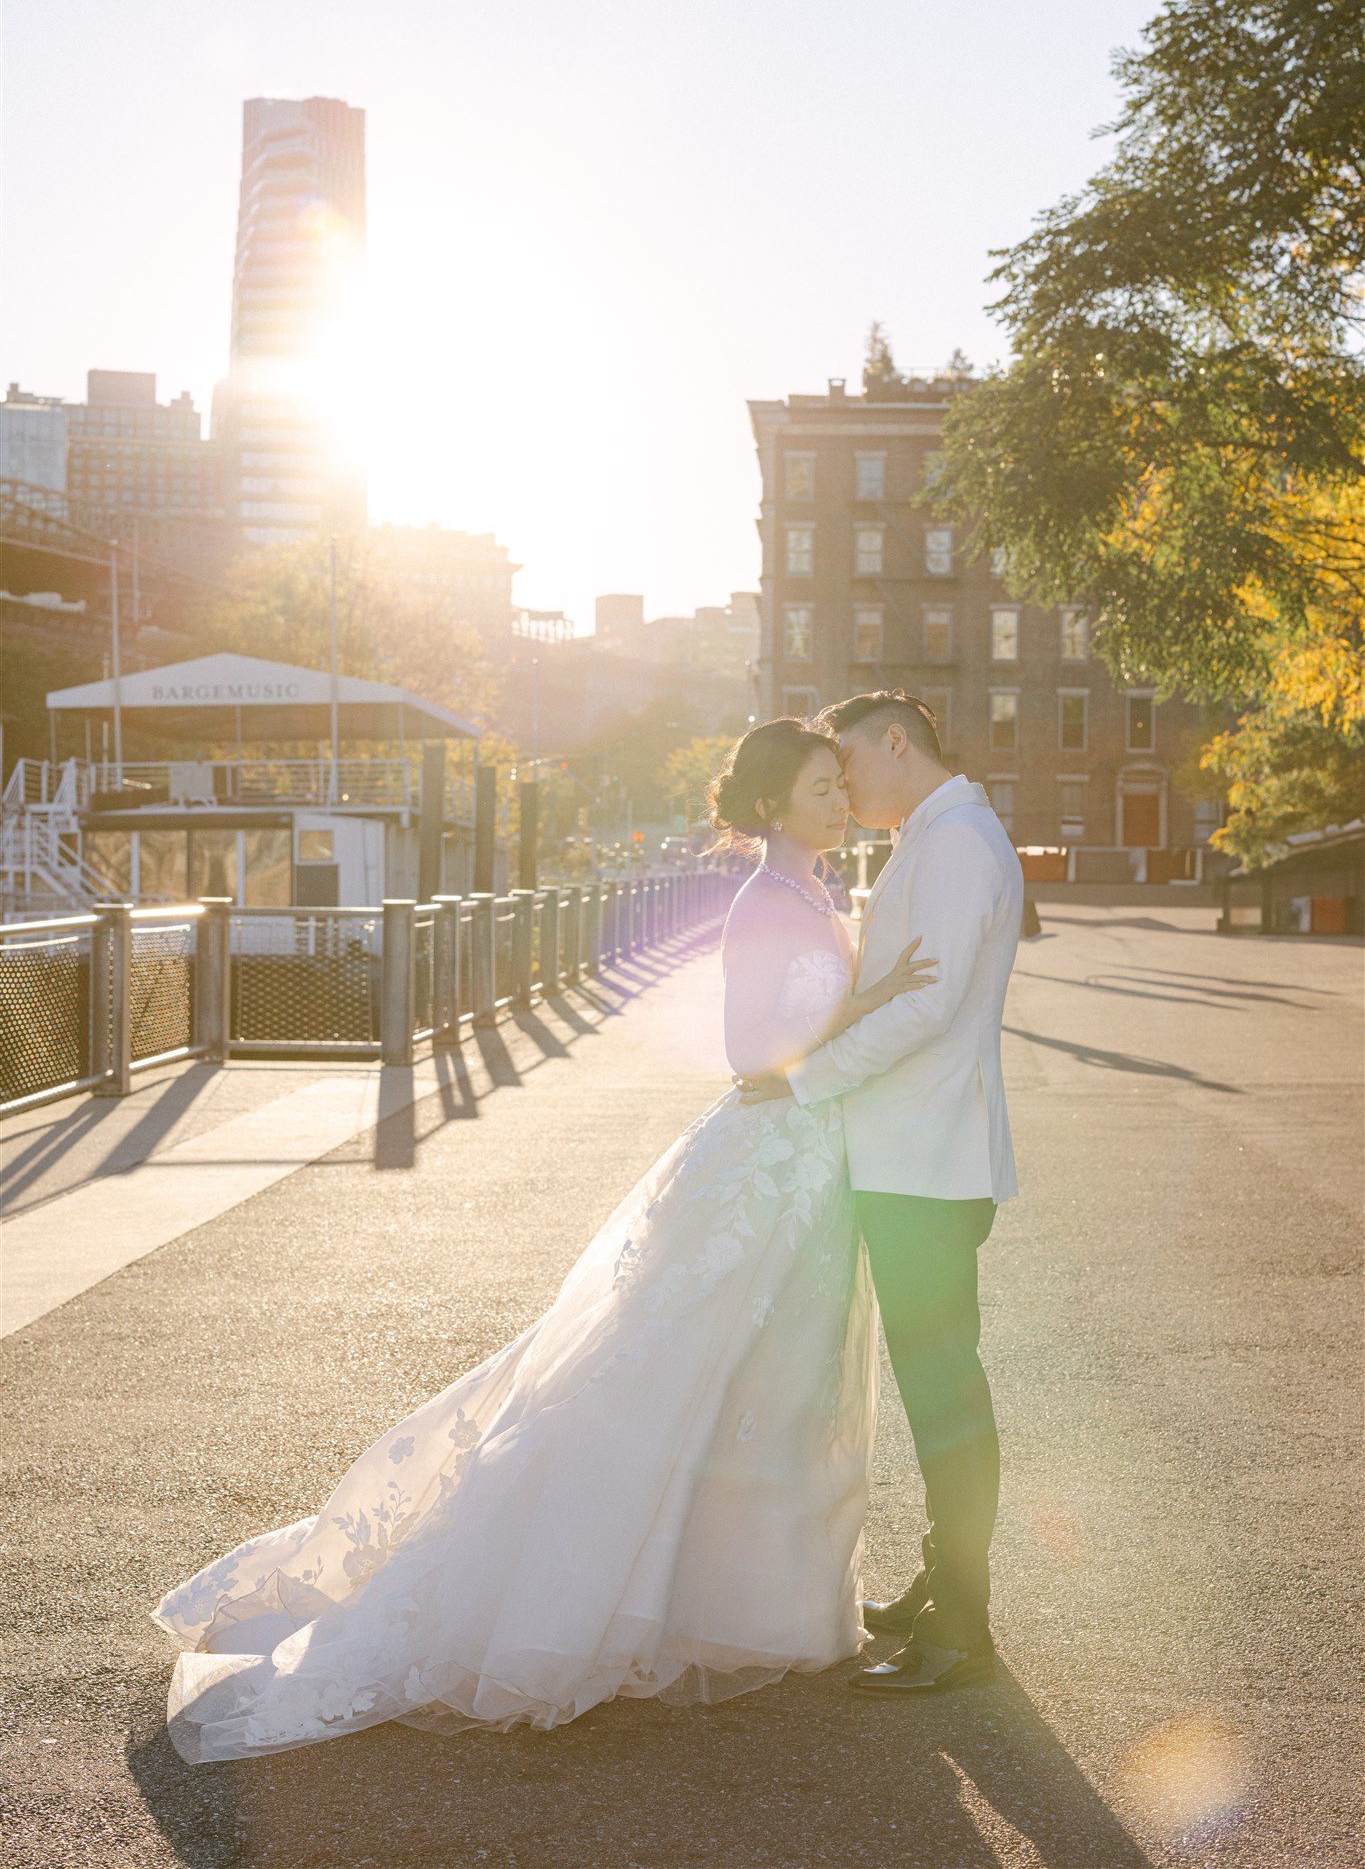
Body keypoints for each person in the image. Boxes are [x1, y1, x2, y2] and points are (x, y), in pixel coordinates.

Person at [149, 718, 936, 1762]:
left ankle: (759, 1607)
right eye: (822, 788)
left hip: (807, 1169)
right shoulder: (761, 901)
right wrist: (869, 1002)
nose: (841, 802)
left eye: (843, 784)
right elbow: (751, 1053)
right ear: (772, 806)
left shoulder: (816, 892)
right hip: (761, 1168)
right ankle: (569, 1600)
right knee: (663, 1380)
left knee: (775, 1390)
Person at [738, 690, 1022, 1696]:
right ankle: (943, 1588)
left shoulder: (954, 843)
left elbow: (932, 1004)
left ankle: (963, 1625)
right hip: (915, 1154)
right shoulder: (940, 833)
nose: (844, 783)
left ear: (895, 740)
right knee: (937, 1389)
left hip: (926, 1163)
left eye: (850, 762)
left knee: (946, 1394)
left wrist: (804, 1079)